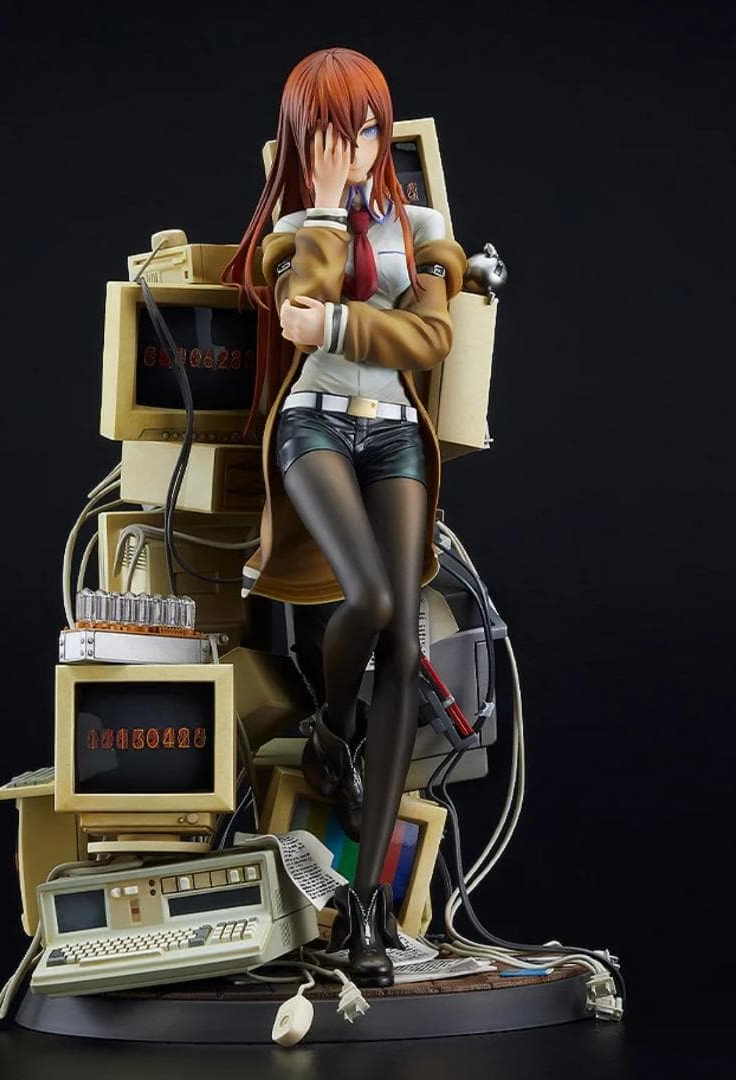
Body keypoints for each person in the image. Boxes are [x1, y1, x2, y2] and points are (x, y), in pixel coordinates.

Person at [222, 47, 467, 986]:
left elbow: (431, 338)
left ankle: (367, 908)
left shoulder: (426, 228)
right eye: (332, 133)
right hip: (314, 426)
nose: (354, 148)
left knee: (404, 646)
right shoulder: (292, 230)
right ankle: (331, 733)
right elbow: (299, 307)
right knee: (365, 599)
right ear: (302, 141)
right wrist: (324, 212)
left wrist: (338, 327)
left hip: (396, 433)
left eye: (366, 129)